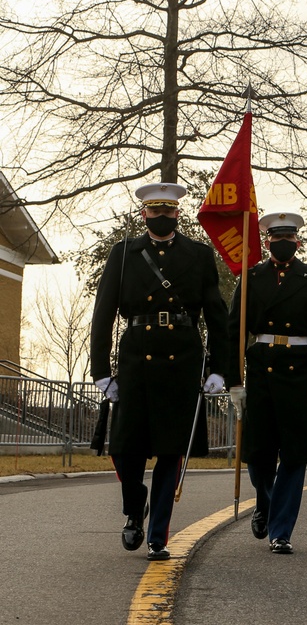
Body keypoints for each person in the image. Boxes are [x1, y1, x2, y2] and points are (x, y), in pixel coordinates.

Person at [90, 182, 229, 561]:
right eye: (155, 211)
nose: (162, 217)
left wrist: (222, 370)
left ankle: (157, 535)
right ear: (143, 215)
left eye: (168, 212)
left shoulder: (199, 255)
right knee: (124, 450)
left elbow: (217, 317)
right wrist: (101, 371)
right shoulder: (123, 254)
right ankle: (136, 506)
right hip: (136, 359)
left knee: (171, 453)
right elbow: (103, 314)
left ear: (177, 214)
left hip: (182, 362)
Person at [226, 211, 307, 554]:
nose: (284, 244)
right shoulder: (251, 277)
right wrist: (234, 381)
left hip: (300, 374)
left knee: (294, 455)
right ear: (267, 242)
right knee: (258, 456)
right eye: (277, 240)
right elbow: (235, 333)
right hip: (260, 372)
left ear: (298, 242)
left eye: (289, 239)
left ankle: (281, 530)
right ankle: (266, 500)